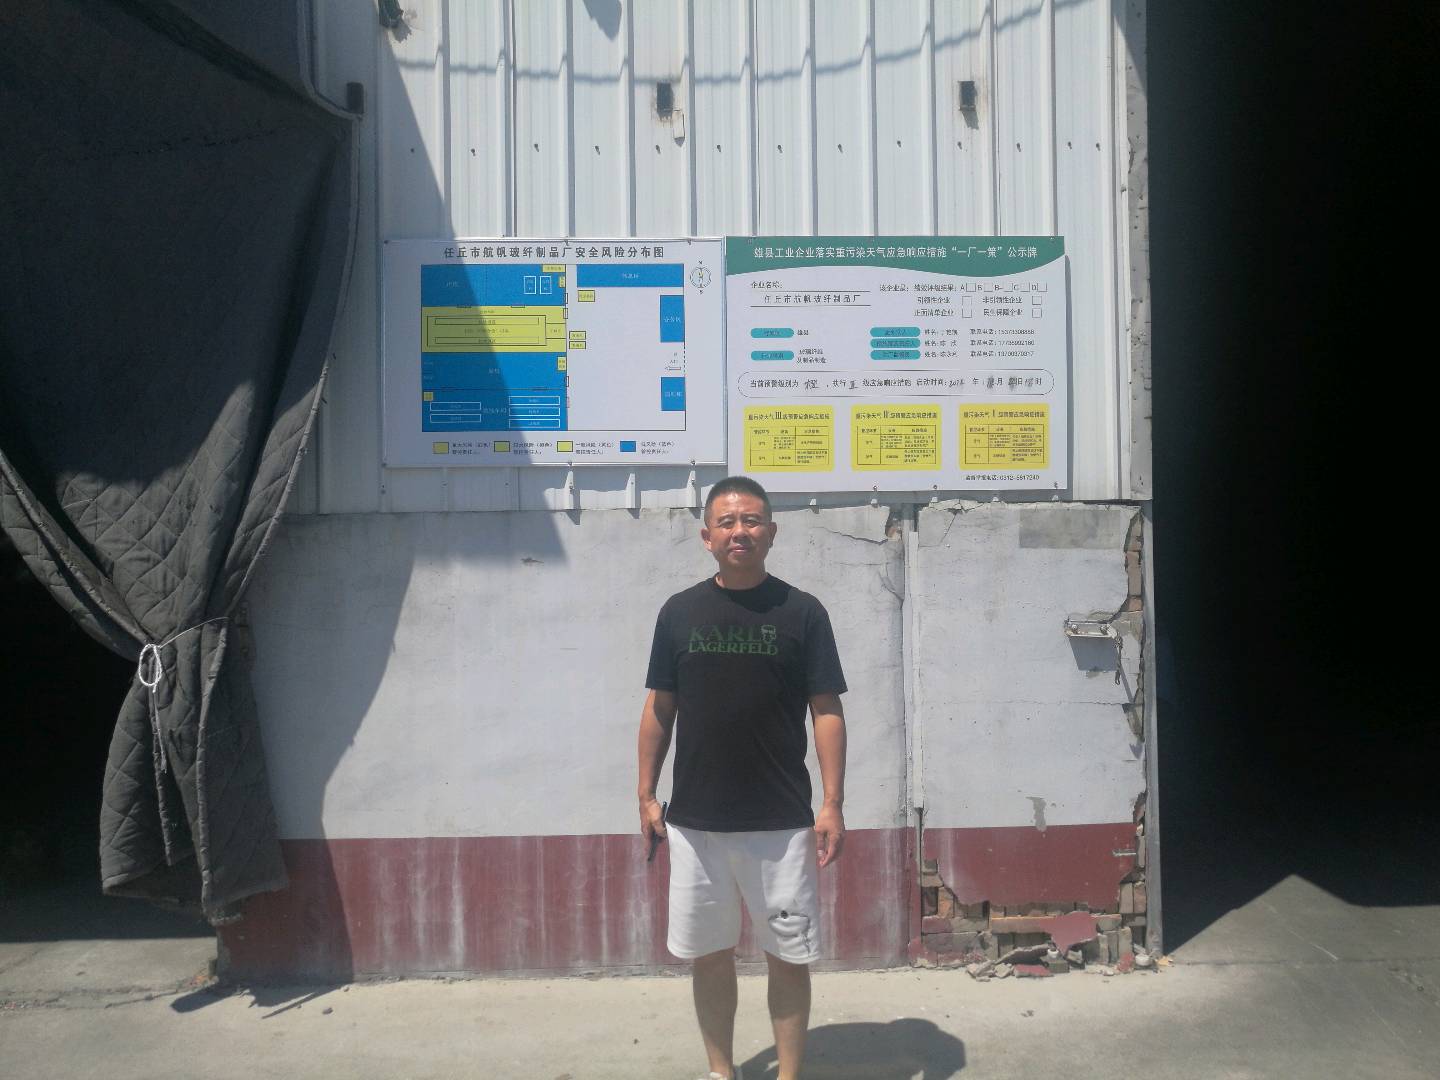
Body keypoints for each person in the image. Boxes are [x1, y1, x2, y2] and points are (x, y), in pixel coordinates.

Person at [638, 475, 848, 1080]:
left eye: (751, 520)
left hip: (780, 824)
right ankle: (721, 1070)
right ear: (706, 536)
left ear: (771, 532)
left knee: (788, 957)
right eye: (727, 522)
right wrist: (646, 793)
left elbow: (826, 710)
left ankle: (788, 1075)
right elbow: (659, 708)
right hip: (695, 824)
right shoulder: (679, 612)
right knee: (708, 955)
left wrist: (832, 803)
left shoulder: (802, 612)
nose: (740, 531)